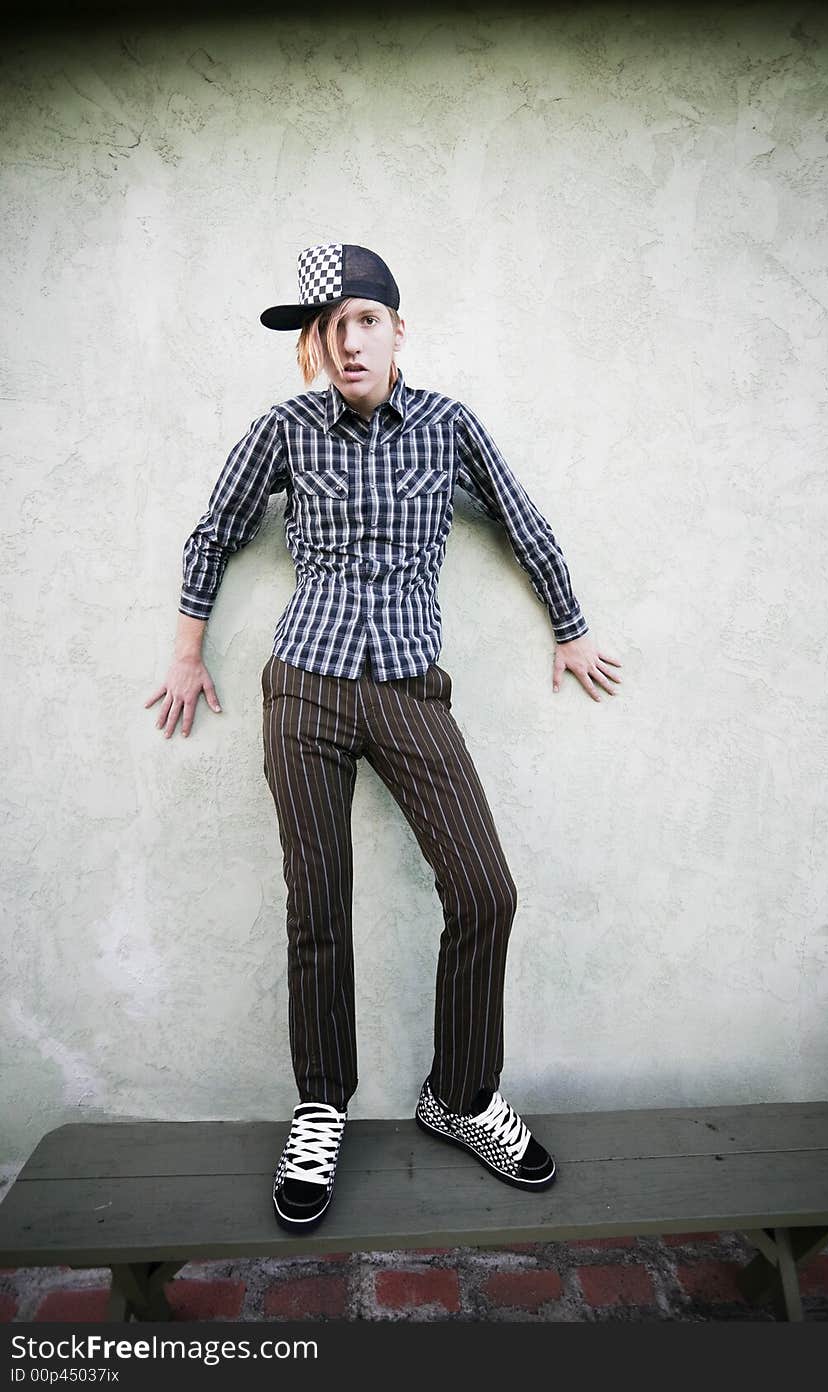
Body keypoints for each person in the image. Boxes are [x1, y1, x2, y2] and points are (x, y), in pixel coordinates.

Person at [145, 242, 622, 1235]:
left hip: (408, 689)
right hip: (306, 692)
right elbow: (214, 531)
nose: (346, 339)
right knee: (316, 906)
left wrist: (572, 630)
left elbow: (523, 525)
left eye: (363, 320)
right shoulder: (283, 430)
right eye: (329, 327)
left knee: (485, 888)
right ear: (312, 348)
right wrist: (188, 654)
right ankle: (319, 1105)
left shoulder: (449, 428)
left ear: (397, 330)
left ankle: (459, 1095)